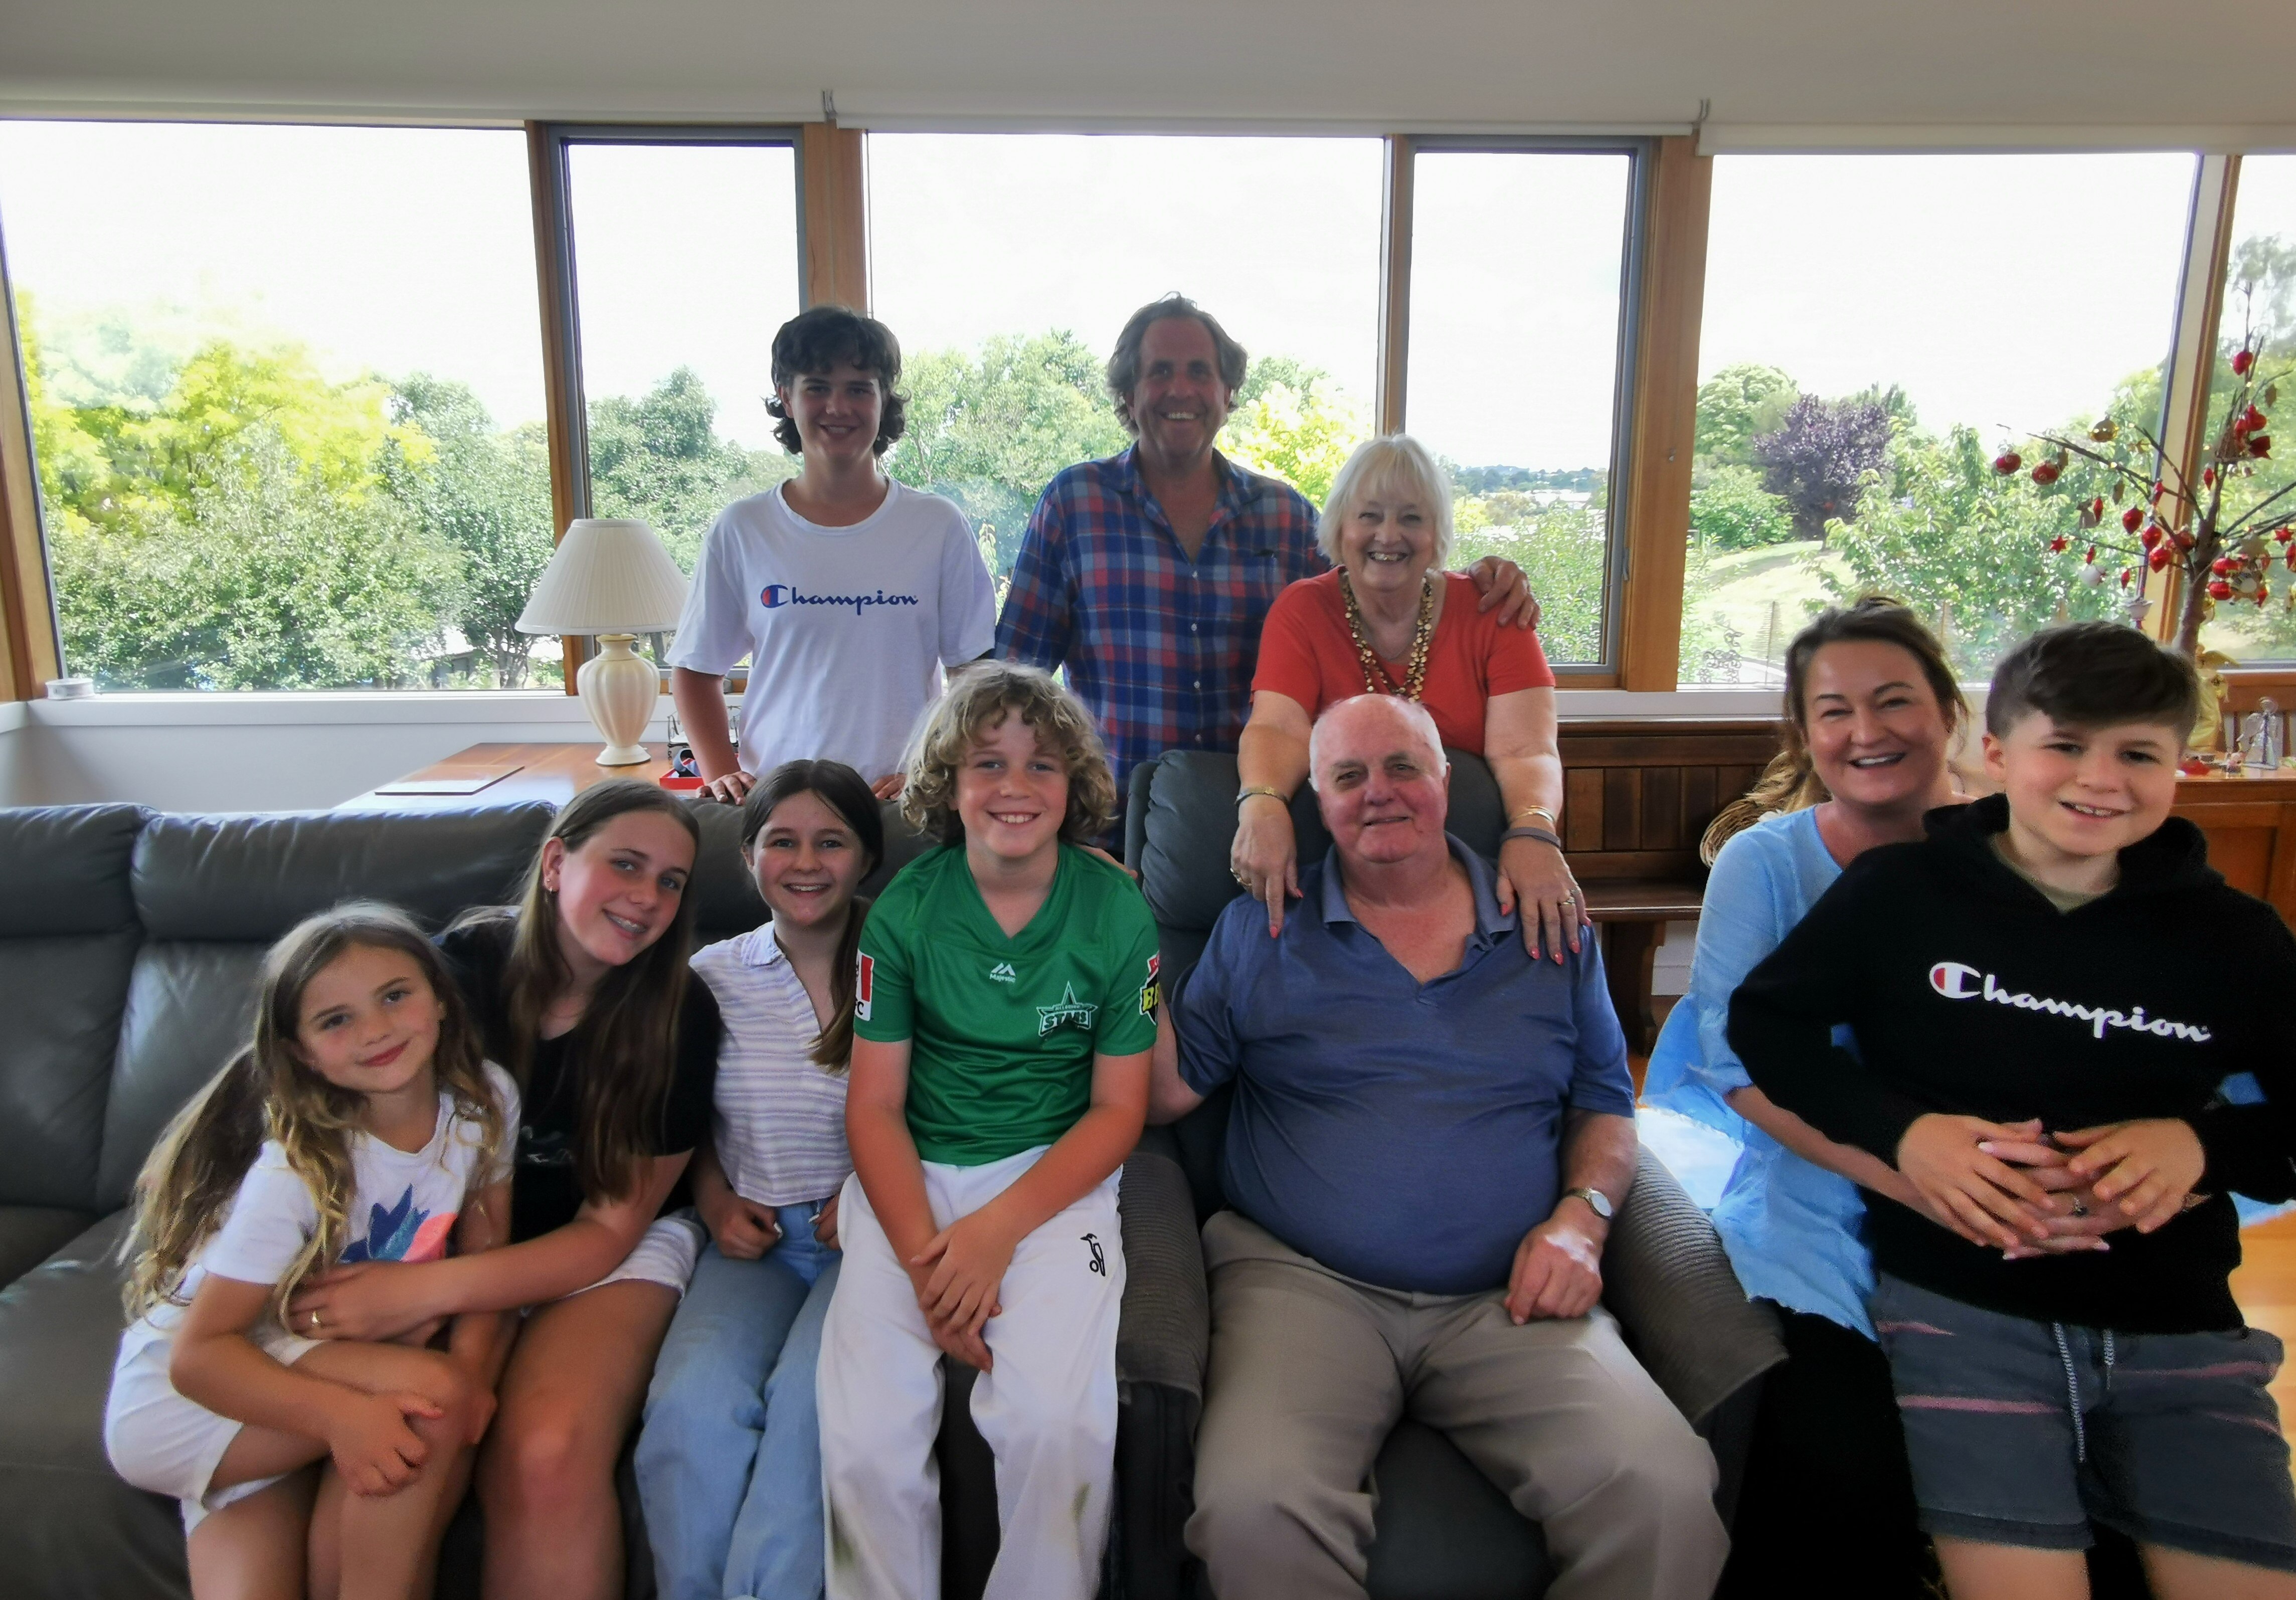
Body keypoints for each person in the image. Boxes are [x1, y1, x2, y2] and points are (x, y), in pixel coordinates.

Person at [1732, 619, 2296, 1600]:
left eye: (2138, 753)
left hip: (2176, 1325)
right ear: (1996, 753)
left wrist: (2200, 1143)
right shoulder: (1898, 892)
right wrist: (1905, 1131)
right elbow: (1768, 1030)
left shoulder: (2234, 937)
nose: (2100, 778)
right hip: (1964, 1311)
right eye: (2066, 745)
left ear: (2180, 767)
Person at [1153, 692, 1727, 1600]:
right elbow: (1163, 1093)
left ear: (1445, 783)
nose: (1376, 793)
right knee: (1250, 1506)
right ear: (1313, 797)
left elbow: (1605, 1102)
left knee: (1660, 1491)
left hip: (1511, 1294)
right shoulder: (1260, 930)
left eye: (1400, 768)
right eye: (1346, 776)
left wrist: (1583, 1220)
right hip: (1302, 1281)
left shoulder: (1546, 919)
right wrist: (1117, 960)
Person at [285, 781, 724, 1600]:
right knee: (402, 1443)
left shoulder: (680, 1013)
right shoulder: (460, 971)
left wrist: (415, 1293)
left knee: (545, 1448)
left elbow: (608, 1229)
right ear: (556, 862)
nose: (647, 897)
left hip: (606, 1255)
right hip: (443, 1236)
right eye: (625, 865)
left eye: (671, 882)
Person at [1641, 598, 1982, 1596]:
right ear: (1805, 731)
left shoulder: (2019, 854)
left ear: (1949, 708)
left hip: (2002, 1212)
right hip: (1822, 1205)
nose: (1865, 731)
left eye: (1893, 701)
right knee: (1835, 1476)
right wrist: (1913, 1172)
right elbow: (1734, 1061)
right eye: (1834, 709)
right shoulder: (1767, 861)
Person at [816, 663, 1159, 1600]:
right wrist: (936, 1261)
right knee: (863, 1440)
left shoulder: (1117, 911)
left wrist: (994, 1233)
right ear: (948, 786)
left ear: (1074, 787)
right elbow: (874, 1106)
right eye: (988, 763)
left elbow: (1119, 1110)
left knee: (1058, 1424)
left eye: (1042, 766)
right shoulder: (905, 912)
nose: (1014, 786)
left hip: (1054, 1180)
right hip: (909, 1177)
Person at [994, 292, 1536, 824]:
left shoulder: (1284, 515)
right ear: (1128, 395)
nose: (1179, 388)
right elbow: (1017, 682)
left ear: (1227, 392)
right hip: (1110, 821)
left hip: (1265, 815)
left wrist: (1479, 577)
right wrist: (1044, 822)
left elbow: (1378, 589)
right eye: (1159, 371)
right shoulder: (1074, 503)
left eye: (1199, 371)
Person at [104, 905, 516, 1600]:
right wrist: (341, 1416)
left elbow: (484, 1259)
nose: (376, 1029)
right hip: (186, 1401)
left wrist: (474, 1374)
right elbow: (199, 1355)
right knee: (431, 1395)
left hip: (278, 1380)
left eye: (394, 995)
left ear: (442, 998)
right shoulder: (295, 1168)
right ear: (301, 1050)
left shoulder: (482, 1101)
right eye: (335, 1020)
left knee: (445, 1393)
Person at [635, 761, 882, 1600]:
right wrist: (710, 1198)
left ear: (867, 858)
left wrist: (879, 1190)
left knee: (810, 1411)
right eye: (782, 841)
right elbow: (686, 1121)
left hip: (871, 1241)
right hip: (751, 1242)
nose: (805, 862)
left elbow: (953, 1104)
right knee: (688, 1409)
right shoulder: (709, 977)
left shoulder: (909, 959)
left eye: (831, 841)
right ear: (747, 857)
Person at [1231, 432, 1579, 958]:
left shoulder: (1495, 611)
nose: (1388, 535)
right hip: (1339, 871)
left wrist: (1533, 833)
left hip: (1476, 868)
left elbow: (1526, 750)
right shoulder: (1302, 609)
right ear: (1340, 526)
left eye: (1411, 517)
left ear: (1437, 531)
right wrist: (1261, 806)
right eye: (1369, 515)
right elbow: (1277, 727)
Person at [670, 304, 998, 804]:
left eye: (859, 388)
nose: (838, 407)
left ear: (883, 398)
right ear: (786, 397)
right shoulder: (743, 528)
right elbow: (695, 671)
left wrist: (939, 767)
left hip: (899, 803)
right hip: (777, 804)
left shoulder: (937, 525)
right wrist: (722, 772)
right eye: (817, 386)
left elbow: (974, 677)